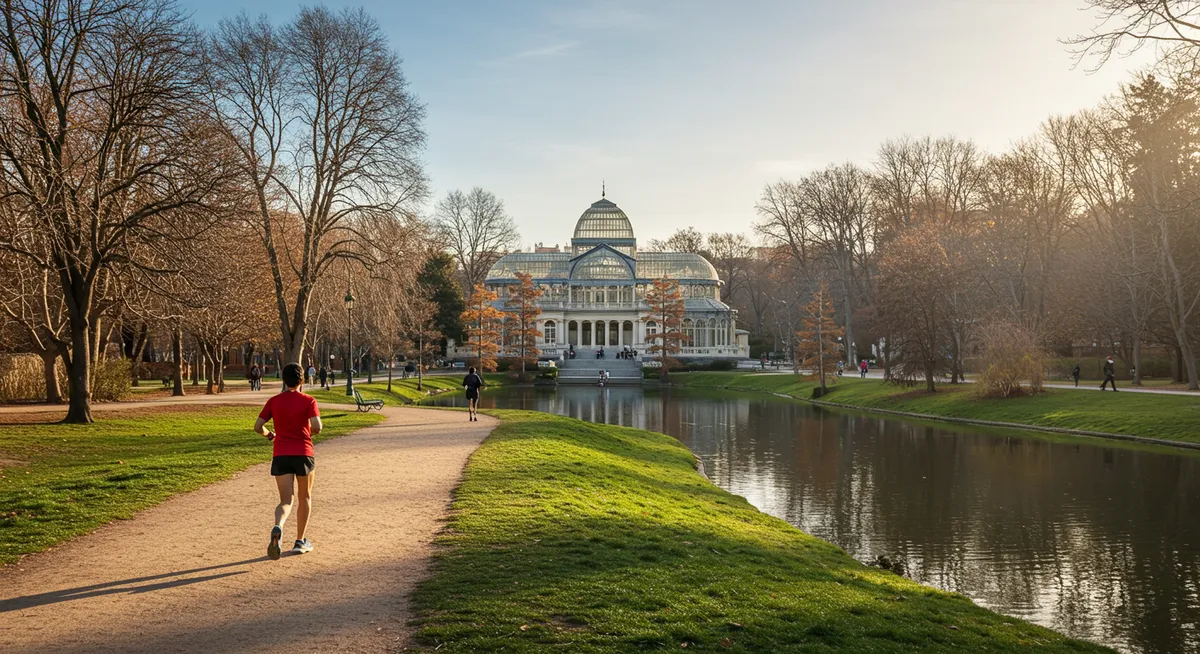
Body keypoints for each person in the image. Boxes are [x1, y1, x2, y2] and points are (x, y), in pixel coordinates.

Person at [253, 362, 322, 560]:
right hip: (303, 453)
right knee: (305, 497)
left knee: (285, 500)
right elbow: (317, 427)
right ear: (302, 380)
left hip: (281, 454)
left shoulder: (274, 401)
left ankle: (278, 526)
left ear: (284, 380)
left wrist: (270, 435)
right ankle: (300, 541)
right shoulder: (309, 401)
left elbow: (258, 427)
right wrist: (306, 430)